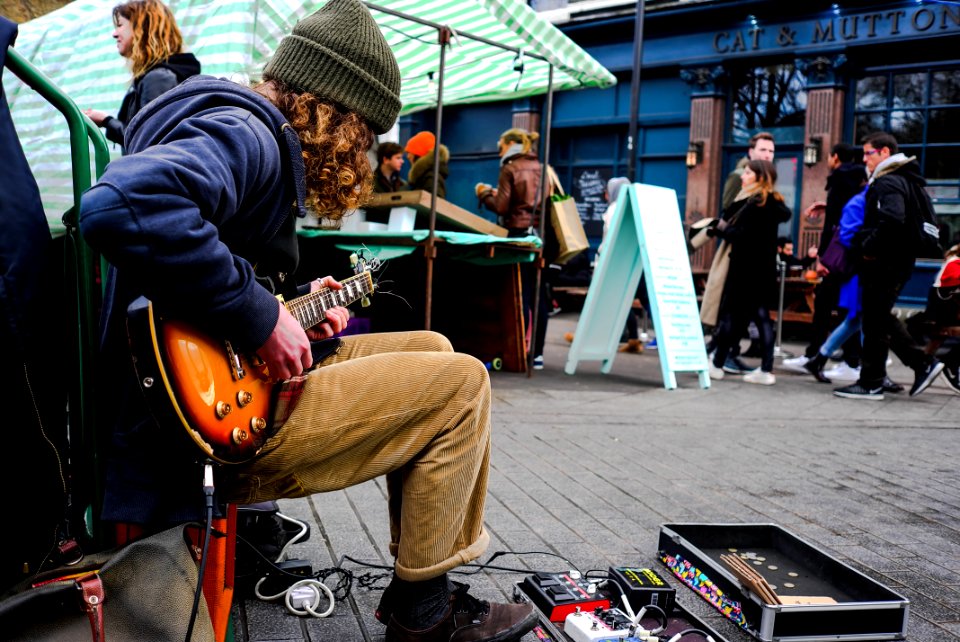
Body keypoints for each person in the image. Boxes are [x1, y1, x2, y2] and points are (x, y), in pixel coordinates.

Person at [77, 2, 538, 641]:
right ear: (337, 113)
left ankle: (423, 589)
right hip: (200, 427)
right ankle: (424, 617)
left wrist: (288, 305)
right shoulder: (250, 135)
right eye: (364, 135)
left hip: (201, 391)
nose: (361, 156)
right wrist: (261, 314)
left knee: (432, 346)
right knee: (462, 387)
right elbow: (120, 205)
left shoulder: (231, 123)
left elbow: (206, 268)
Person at [834, 132, 944, 400]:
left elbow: (892, 220)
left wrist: (867, 248)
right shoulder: (905, 179)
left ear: (884, 153)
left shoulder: (889, 181)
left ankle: (884, 378)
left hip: (885, 262)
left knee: (875, 319)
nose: (864, 160)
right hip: (898, 260)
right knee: (878, 318)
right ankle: (881, 377)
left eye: (868, 153)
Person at [783, 143, 866, 378]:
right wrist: (827, 205)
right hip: (852, 256)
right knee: (843, 306)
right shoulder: (860, 180)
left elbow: (833, 224)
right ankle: (845, 359)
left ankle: (825, 357)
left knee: (827, 304)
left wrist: (822, 257)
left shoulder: (840, 177)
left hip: (839, 255)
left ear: (835, 157)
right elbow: (846, 212)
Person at [707, 160, 791, 385]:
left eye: (747, 173)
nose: (743, 176)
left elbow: (741, 235)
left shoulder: (754, 203)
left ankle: (716, 365)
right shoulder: (774, 203)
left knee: (731, 317)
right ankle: (765, 369)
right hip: (764, 270)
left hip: (744, 269)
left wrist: (719, 231)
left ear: (759, 177)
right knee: (762, 317)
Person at [83, 0, 200, 152]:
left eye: (120, 25)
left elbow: (148, 141)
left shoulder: (158, 78)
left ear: (141, 28)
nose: (114, 34)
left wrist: (107, 121)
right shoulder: (158, 75)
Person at [476, 128, 549, 369]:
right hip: (538, 235)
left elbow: (501, 206)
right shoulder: (542, 166)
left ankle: (517, 350)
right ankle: (536, 353)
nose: (499, 151)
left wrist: (484, 193)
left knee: (519, 293)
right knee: (539, 295)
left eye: (500, 146)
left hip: (517, 235)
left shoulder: (510, 168)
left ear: (509, 145)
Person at [721, 131, 775, 212]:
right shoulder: (739, 175)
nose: (768, 155)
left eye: (771, 151)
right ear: (751, 152)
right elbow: (727, 208)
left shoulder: (768, 177)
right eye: (763, 150)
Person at [366, 141, 407, 223]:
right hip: (375, 227)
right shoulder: (369, 182)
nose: (402, 161)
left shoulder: (403, 184)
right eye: (398, 158)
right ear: (385, 160)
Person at [405, 130, 449, 197]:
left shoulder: (430, 177)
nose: (408, 156)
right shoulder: (426, 175)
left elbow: (435, 203)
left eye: (410, 152)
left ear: (419, 154)